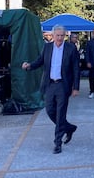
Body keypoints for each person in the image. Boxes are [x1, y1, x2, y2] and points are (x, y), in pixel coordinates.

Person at [22, 25, 79, 154]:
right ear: (53, 36)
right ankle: (69, 128)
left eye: (62, 35)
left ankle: (57, 143)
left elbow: (76, 68)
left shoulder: (71, 48)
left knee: (60, 114)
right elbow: (40, 61)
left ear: (65, 36)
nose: (59, 38)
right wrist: (29, 66)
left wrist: (76, 87)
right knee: (50, 111)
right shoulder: (47, 47)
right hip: (49, 84)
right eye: (57, 35)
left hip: (62, 85)